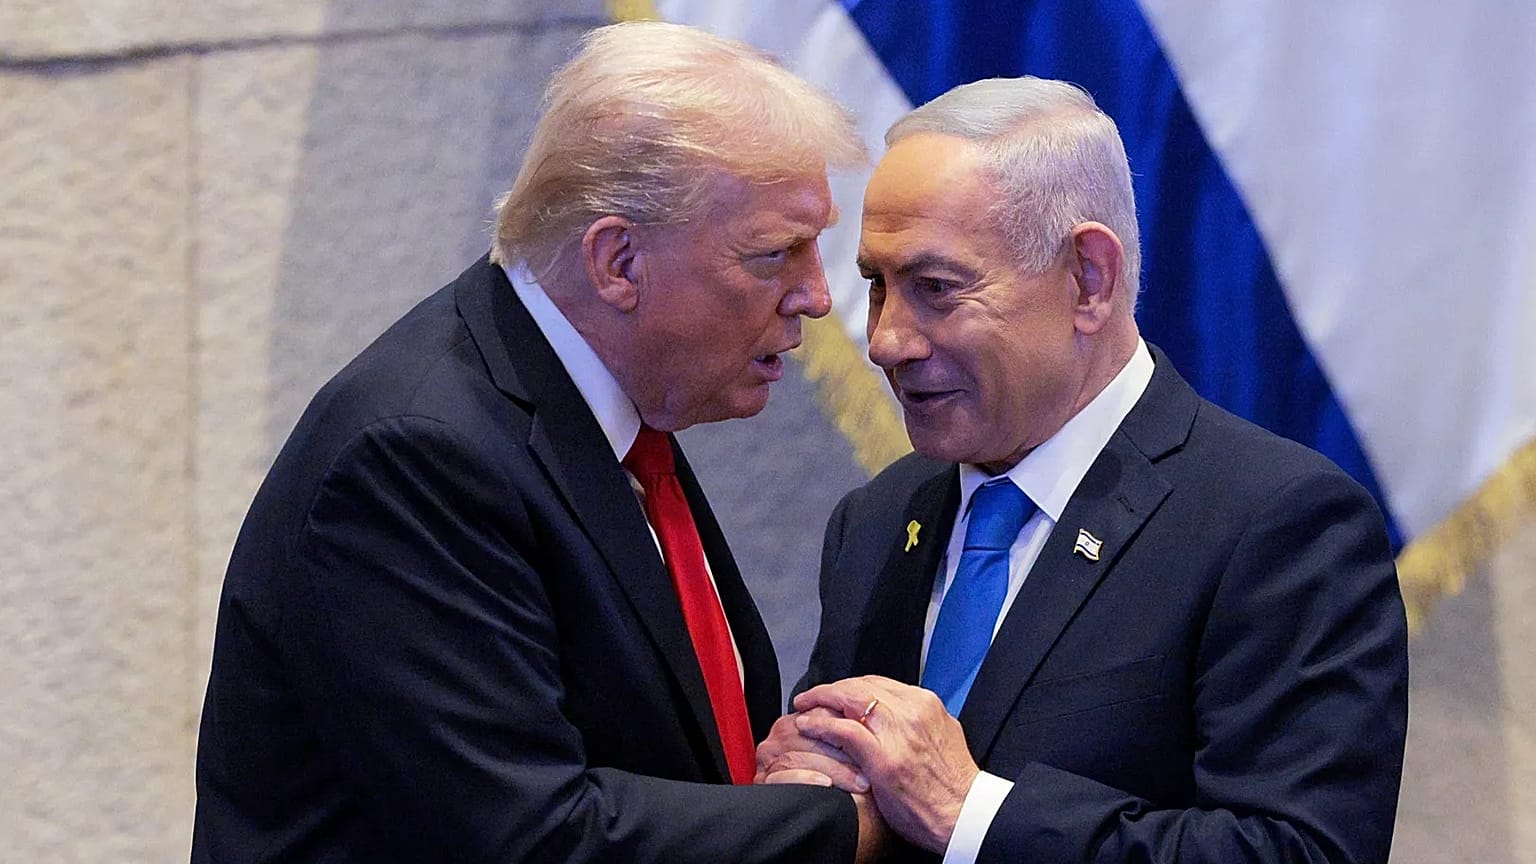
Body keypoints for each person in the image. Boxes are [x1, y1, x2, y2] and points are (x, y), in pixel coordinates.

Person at [192, 21, 882, 863]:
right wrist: (845, 825)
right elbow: (532, 837)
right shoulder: (416, 457)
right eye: (775, 254)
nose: (816, 295)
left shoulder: (604, 412)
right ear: (618, 263)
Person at [757, 77, 1408, 864]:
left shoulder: (1276, 525)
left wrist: (973, 814)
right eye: (878, 286)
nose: (888, 340)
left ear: (1088, 279)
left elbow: (1300, 852)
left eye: (935, 289)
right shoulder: (876, 521)